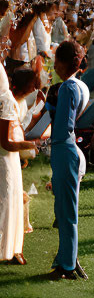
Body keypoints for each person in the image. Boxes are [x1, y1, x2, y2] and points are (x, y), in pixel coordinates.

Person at [49, 40, 90, 280]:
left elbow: (63, 127)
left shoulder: (66, 88)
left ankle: (67, 263)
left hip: (64, 148)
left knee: (65, 211)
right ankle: (67, 258)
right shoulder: (80, 85)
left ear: (63, 63)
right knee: (65, 209)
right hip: (70, 148)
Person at [1, 66, 38, 265]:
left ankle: (15, 247)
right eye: (32, 85)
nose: (34, 89)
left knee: (15, 200)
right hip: (5, 157)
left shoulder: (16, 102)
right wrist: (25, 145)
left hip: (13, 157)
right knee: (6, 202)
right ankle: (6, 248)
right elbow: (5, 141)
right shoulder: (6, 101)